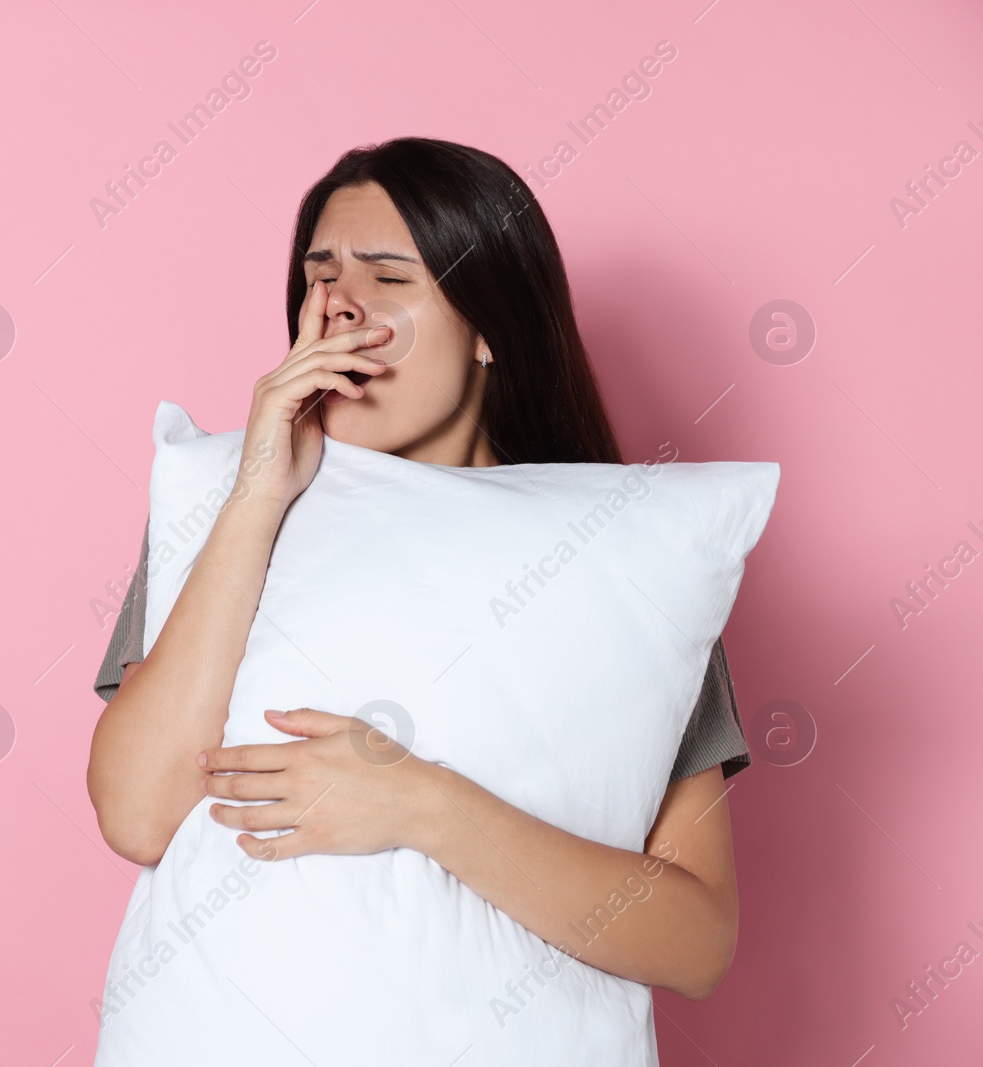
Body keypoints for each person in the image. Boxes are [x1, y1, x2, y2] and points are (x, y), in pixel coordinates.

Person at [85, 136, 751, 1047]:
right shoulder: (219, 505)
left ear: (488, 326)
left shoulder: (622, 559)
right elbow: (136, 813)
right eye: (320, 277)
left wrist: (418, 803)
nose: (341, 307)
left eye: (388, 278)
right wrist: (255, 494)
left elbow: (696, 940)